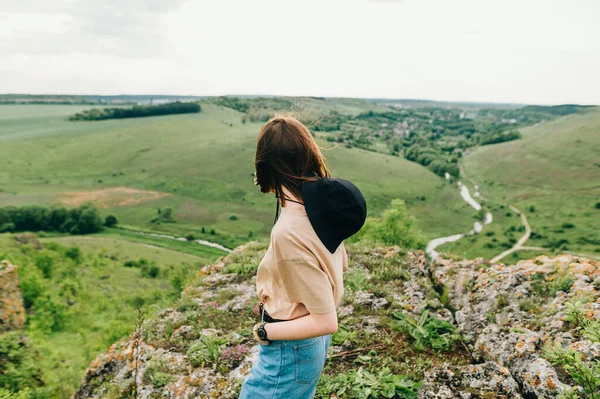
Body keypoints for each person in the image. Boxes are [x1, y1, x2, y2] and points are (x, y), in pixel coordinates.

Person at [239, 115, 367, 399]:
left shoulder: (288, 231)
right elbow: (337, 263)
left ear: (266, 165)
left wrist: (263, 331)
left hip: (292, 345)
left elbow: (326, 321)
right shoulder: (320, 208)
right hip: (309, 343)